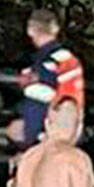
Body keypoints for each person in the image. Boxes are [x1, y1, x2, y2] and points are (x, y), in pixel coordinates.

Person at [11, 9, 85, 148]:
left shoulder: (47, 62)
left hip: (53, 134)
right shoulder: (68, 58)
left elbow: (43, 97)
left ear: (30, 31)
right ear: (55, 29)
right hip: (73, 128)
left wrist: (31, 140)